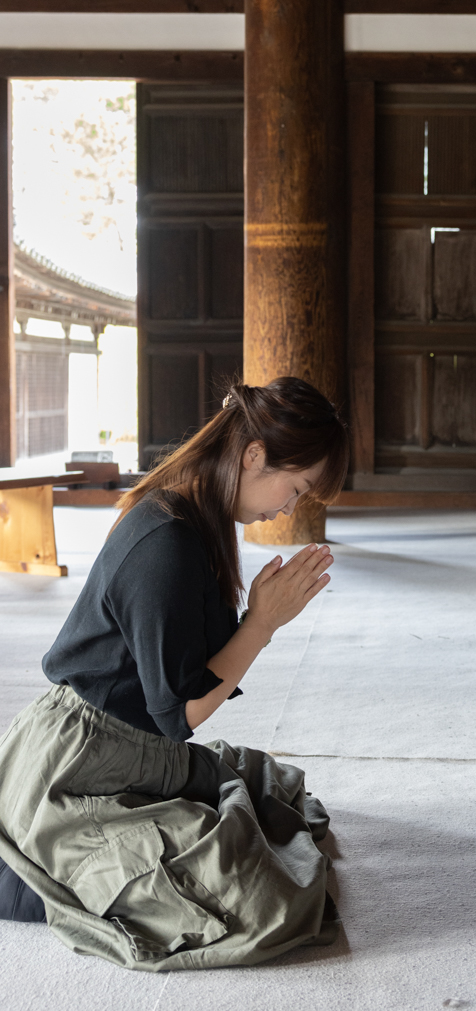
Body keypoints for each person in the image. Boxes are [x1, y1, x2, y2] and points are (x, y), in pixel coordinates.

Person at [0, 376, 349, 969]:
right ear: (255, 454)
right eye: (296, 488)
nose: (289, 508)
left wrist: (257, 621)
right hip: (87, 761)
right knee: (263, 903)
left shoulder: (199, 517)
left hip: (136, 747)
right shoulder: (167, 540)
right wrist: (260, 624)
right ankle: (37, 870)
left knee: (267, 793)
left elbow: (186, 678)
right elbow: (182, 713)